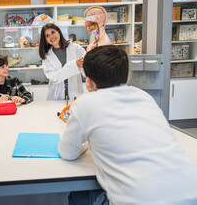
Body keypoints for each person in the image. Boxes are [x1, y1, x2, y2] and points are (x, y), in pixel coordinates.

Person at [58, 45, 197, 205]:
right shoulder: (144, 96)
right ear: (127, 76)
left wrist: (86, 146)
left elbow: (67, 153)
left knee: (78, 196)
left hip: (140, 201)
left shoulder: (85, 103)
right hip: (191, 192)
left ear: (89, 82)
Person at [39, 23, 86, 100]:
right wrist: (74, 65)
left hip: (75, 94)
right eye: (47, 36)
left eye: (53, 32)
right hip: (56, 97)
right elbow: (54, 78)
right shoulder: (47, 57)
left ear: (58, 32)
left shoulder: (77, 49)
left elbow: (86, 70)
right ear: (46, 40)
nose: (51, 37)